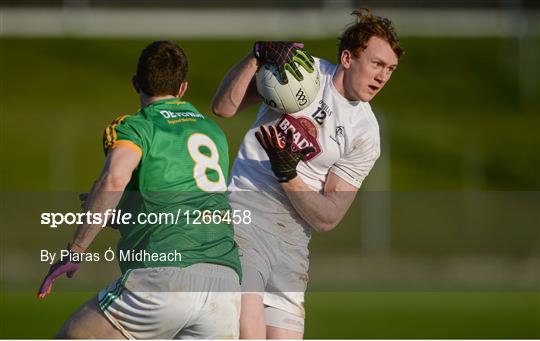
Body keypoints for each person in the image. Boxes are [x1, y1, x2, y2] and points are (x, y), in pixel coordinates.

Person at [211, 8, 404, 339]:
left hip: (293, 241)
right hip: (244, 219)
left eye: (390, 69)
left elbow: (328, 217)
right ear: (347, 58)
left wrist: (289, 176)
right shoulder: (300, 72)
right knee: (248, 332)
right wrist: (256, 56)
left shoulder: (366, 133)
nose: (383, 76)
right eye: (376, 64)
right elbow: (223, 107)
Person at [37, 40, 242, 339]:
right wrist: (115, 214)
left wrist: (77, 249)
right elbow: (183, 204)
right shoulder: (213, 131)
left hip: (166, 276)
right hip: (225, 285)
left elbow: (114, 181)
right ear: (183, 88)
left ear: (136, 83)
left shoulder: (137, 127)